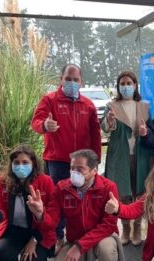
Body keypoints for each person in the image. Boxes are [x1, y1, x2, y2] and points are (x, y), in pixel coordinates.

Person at [35, 149, 127, 261]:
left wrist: (79, 247)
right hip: (75, 240)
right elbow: (51, 223)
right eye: (72, 168)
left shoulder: (108, 188)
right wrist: (41, 215)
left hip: (102, 238)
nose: (74, 173)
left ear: (94, 170)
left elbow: (108, 225)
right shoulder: (62, 188)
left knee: (107, 251)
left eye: (80, 169)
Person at [31, 64, 102, 250]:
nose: (72, 82)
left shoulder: (88, 105)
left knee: (83, 198)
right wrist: (45, 125)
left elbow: (95, 133)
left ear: (81, 82)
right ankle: (58, 236)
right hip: (58, 161)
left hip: (84, 164)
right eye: (68, 79)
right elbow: (36, 122)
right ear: (60, 80)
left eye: (75, 80)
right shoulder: (49, 100)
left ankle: (82, 235)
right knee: (59, 199)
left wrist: (96, 160)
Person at [101, 70, 154, 246]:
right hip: (120, 156)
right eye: (122, 84)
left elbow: (152, 131)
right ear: (118, 86)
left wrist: (147, 133)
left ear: (135, 85)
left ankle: (138, 228)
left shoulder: (144, 106)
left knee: (140, 190)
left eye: (128, 83)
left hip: (141, 156)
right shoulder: (112, 106)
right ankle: (125, 228)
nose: (125, 86)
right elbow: (104, 127)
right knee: (122, 191)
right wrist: (109, 121)